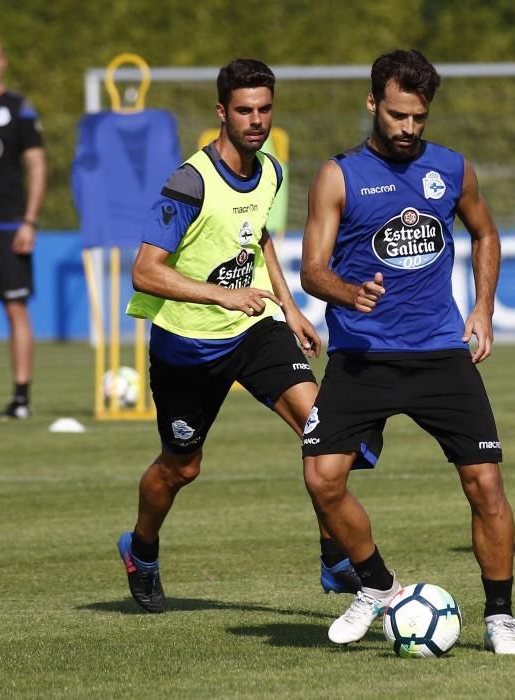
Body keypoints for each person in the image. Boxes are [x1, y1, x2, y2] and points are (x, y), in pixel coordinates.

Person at [300, 49, 515, 654]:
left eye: (419, 118)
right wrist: (349, 293)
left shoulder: (452, 169)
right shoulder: (338, 175)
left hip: (438, 354)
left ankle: (500, 617)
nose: (408, 128)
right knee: (323, 480)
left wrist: (482, 308)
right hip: (362, 357)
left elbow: (485, 232)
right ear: (373, 103)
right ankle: (376, 585)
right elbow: (311, 270)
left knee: (485, 485)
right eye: (398, 115)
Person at [117, 58, 360, 614]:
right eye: (244, 111)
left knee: (324, 432)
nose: (256, 120)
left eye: (264, 109)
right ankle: (142, 549)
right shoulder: (189, 182)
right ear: (222, 112)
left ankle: (334, 558)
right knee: (182, 466)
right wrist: (222, 294)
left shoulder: (270, 170)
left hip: (256, 328)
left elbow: (260, 236)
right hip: (188, 345)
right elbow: (145, 271)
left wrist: (289, 306)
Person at [0, 39, 46, 420]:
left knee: (15, 308)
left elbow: (37, 166)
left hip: (9, 226)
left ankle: (21, 397)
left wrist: (29, 221)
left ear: (3, 62)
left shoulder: (19, 110)